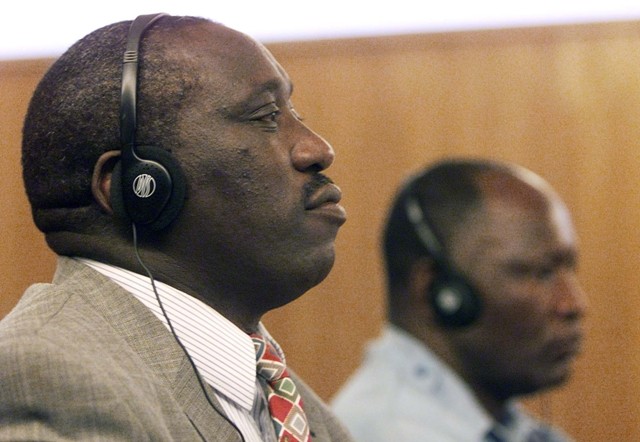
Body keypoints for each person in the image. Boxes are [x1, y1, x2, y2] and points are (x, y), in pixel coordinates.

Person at [0, 13, 353, 442]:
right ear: (140, 186)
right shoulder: (53, 376)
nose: (318, 149)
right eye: (265, 115)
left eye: (293, 112)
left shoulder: (297, 407)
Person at [332, 158, 587, 441]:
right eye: (541, 273)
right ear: (439, 293)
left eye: (569, 270)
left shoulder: (504, 426)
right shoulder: (395, 431)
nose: (573, 304)